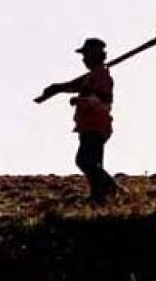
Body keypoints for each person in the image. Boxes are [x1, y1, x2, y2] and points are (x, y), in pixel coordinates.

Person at [37, 38, 120, 204]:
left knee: (85, 161)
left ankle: (112, 190)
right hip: (89, 125)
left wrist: (81, 100)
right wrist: (57, 88)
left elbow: (103, 99)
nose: (83, 59)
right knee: (93, 163)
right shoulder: (93, 76)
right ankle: (99, 196)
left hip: (96, 125)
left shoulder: (101, 76)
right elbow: (74, 85)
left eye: (86, 55)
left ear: (95, 56)